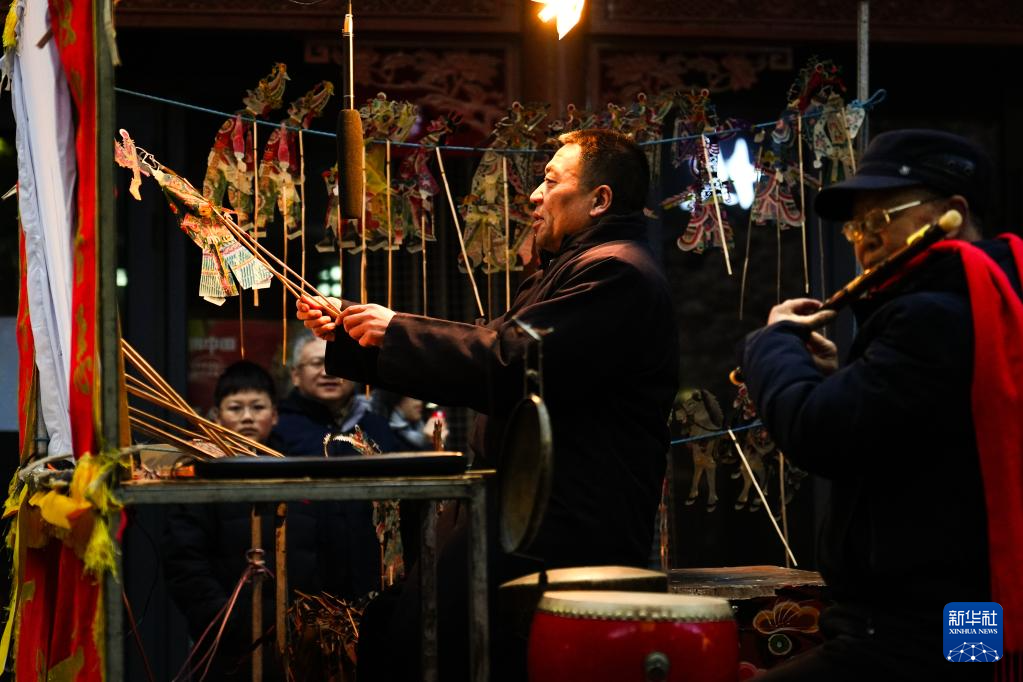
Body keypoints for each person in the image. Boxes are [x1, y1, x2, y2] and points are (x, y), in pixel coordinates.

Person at [299, 128, 680, 681]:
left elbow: (510, 360)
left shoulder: (617, 272)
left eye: (551, 181)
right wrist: (357, 336)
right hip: (523, 510)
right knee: (403, 626)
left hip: (562, 518)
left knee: (435, 641)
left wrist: (396, 329)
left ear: (599, 199)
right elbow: (488, 346)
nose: (534, 196)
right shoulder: (571, 268)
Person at [739, 129, 1023, 680]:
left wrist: (770, 345)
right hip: (971, 610)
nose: (863, 241)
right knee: (974, 672)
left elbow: (817, 431)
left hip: (907, 628)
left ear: (954, 213)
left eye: (881, 218)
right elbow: (923, 434)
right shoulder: (985, 302)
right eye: (856, 226)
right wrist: (846, 380)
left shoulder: (931, 315)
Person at [163, 361, 381, 680]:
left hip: (298, 640)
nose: (247, 417)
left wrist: (312, 619)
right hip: (226, 643)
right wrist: (226, 619)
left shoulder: (296, 472)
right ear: (217, 416)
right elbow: (185, 561)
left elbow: (326, 550)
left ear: (275, 415)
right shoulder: (201, 477)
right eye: (235, 408)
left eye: (258, 407)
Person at [274, 333, 397, 455]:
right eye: (317, 363)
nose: (328, 373)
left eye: (340, 363)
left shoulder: (378, 425)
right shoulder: (276, 424)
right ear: (295, 375)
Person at [370, 389, 448, 451]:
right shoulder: (384, 434)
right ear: (398, 399)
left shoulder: (421, 426)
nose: (419, 403)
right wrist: (433, 443)